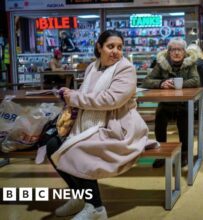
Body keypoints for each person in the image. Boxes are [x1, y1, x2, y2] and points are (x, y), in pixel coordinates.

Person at [44, 30, 156, 219]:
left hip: (118, 128)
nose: (115, 51)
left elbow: (111, 100)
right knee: (52, 144)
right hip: (87, 124)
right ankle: (80, 196)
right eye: (110, 46)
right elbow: (86, 93)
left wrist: (75, 98)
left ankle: (96, 208)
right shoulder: (92, 67)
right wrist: (71, 94)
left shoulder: (126, 68)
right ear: (99, 47)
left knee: (78, 149)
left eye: (119, 47)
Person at [142, 37, 200, 168]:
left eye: (179, 49)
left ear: (184, 52)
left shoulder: (190, 63)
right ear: (169, 52)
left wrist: (177, 84)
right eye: (173, 49)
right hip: (165, 104)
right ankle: (161, 153)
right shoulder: (161, 64)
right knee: (159, 123)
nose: (176, 53)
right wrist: (161, 83)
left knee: (185, 123)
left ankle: (185, 153)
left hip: (183, 104)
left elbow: (196, 80)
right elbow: (147, 81)